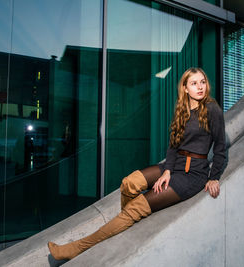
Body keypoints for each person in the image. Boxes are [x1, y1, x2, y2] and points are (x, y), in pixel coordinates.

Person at [47, 67, 227, 260]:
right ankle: (124, 223)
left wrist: (213, 177)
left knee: (136, 208)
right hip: (174, 166)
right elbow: (173, 147)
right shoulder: (182, 110)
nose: (200, 87)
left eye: (202, 82)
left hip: (192, 175)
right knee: (129, 183)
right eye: (194, 83)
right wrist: (167, 171)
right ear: (185, 88)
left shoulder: (211, 109)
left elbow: (220, 147)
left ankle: (74, 249)